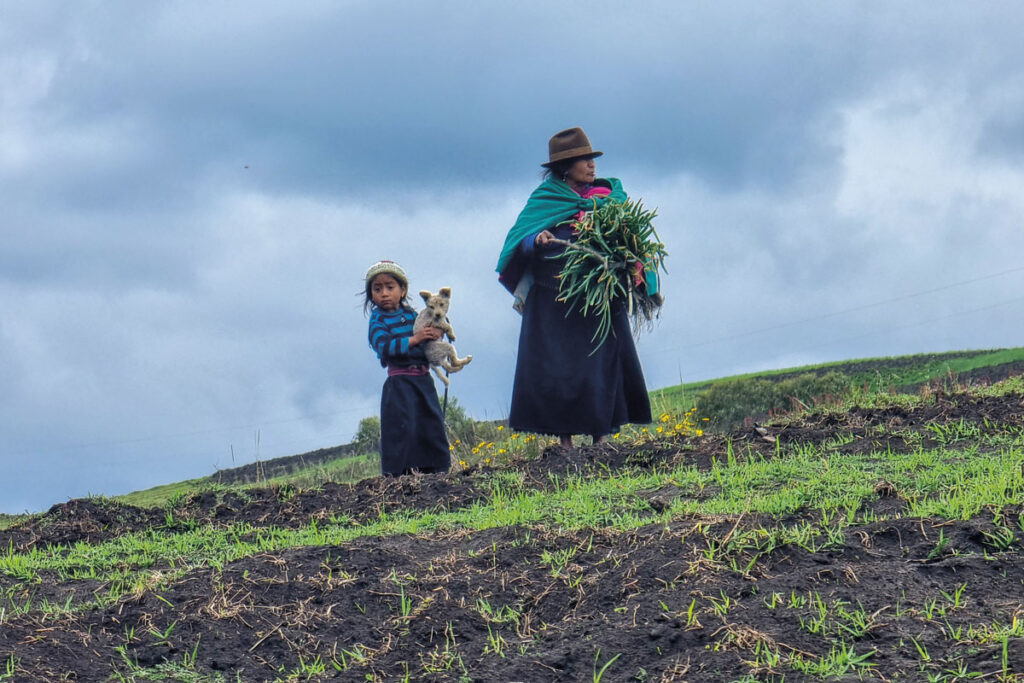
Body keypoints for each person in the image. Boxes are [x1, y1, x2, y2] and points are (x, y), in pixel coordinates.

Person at [497, 127, 652, 448]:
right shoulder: (545, 200)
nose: (591, 165)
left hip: (596, 299)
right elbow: (519, 241)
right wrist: (535, 240)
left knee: (599, 365)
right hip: (553, 301)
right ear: (564, 167)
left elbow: (628, 238)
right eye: (582, 160)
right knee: (558, 369)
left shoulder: (610, 196)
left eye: (591, 158)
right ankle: (565, 441)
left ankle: (601, 436)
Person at [364, 260, 450, 475]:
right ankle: (398, 481)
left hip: (423, 381)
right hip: (399, 384)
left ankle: (438, 474)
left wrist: (437, 333)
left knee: (431, 427)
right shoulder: (377, 320)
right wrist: (415, 339)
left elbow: (431, 332)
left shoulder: (414, 315)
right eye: (377, 289)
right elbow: (385, 348)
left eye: (390, 287)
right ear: (371, 294)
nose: (384, 293)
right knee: (401, 431)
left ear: (402, 290)